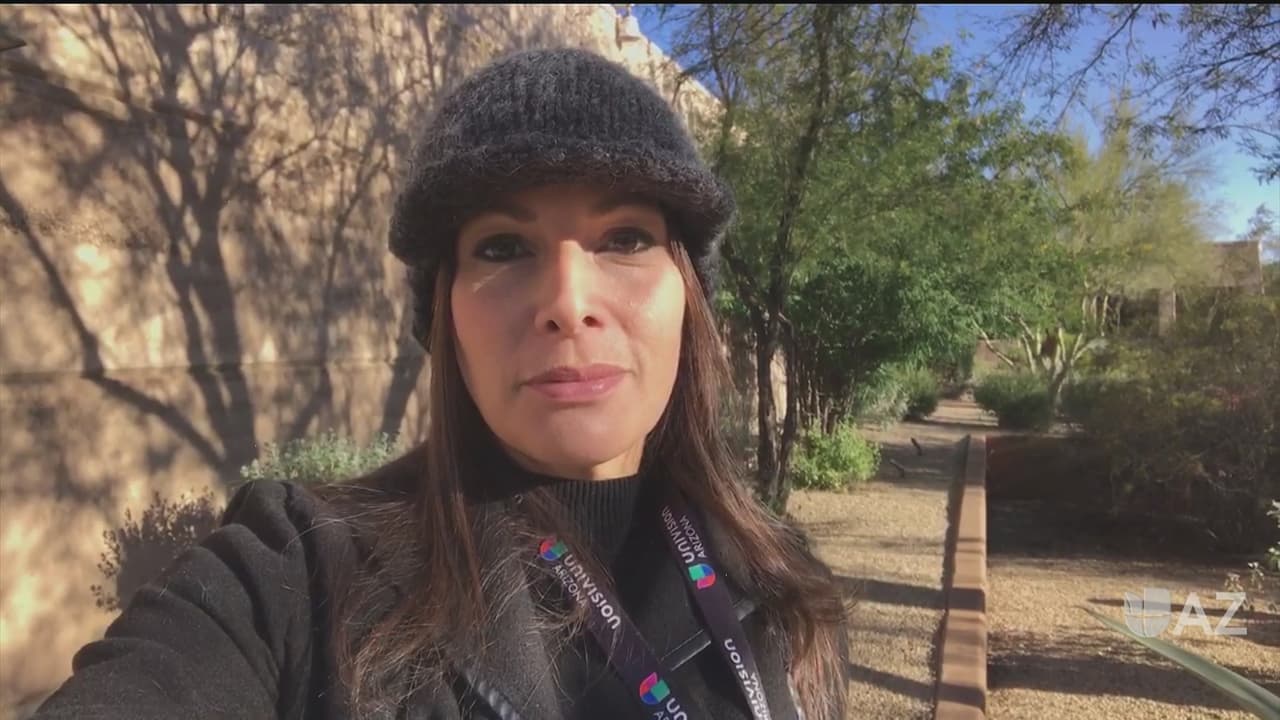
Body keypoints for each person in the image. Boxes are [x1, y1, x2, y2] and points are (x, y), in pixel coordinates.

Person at [33, 47, 850, 720]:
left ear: (689, 296)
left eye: (625, 238)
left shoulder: (782, 588)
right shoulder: (297, 573)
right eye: (502, 248)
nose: (568, 302)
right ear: (444, 314)